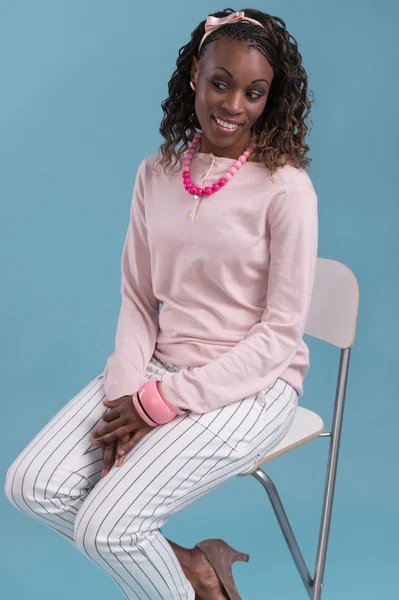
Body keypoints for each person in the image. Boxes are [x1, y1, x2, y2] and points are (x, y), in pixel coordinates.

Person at [4, 8, 318, 600]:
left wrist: (160, 403)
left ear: (269, 100)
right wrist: (128, 390)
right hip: (157, 369)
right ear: (194, 78)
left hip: (252, 385)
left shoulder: (287, 189)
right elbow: (139, 299)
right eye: (220, 83)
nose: (233, 105)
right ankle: (199, 571)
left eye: (254, 93)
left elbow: (278, 337)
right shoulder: (157, 173)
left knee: (109, 526)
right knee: (31, 484)